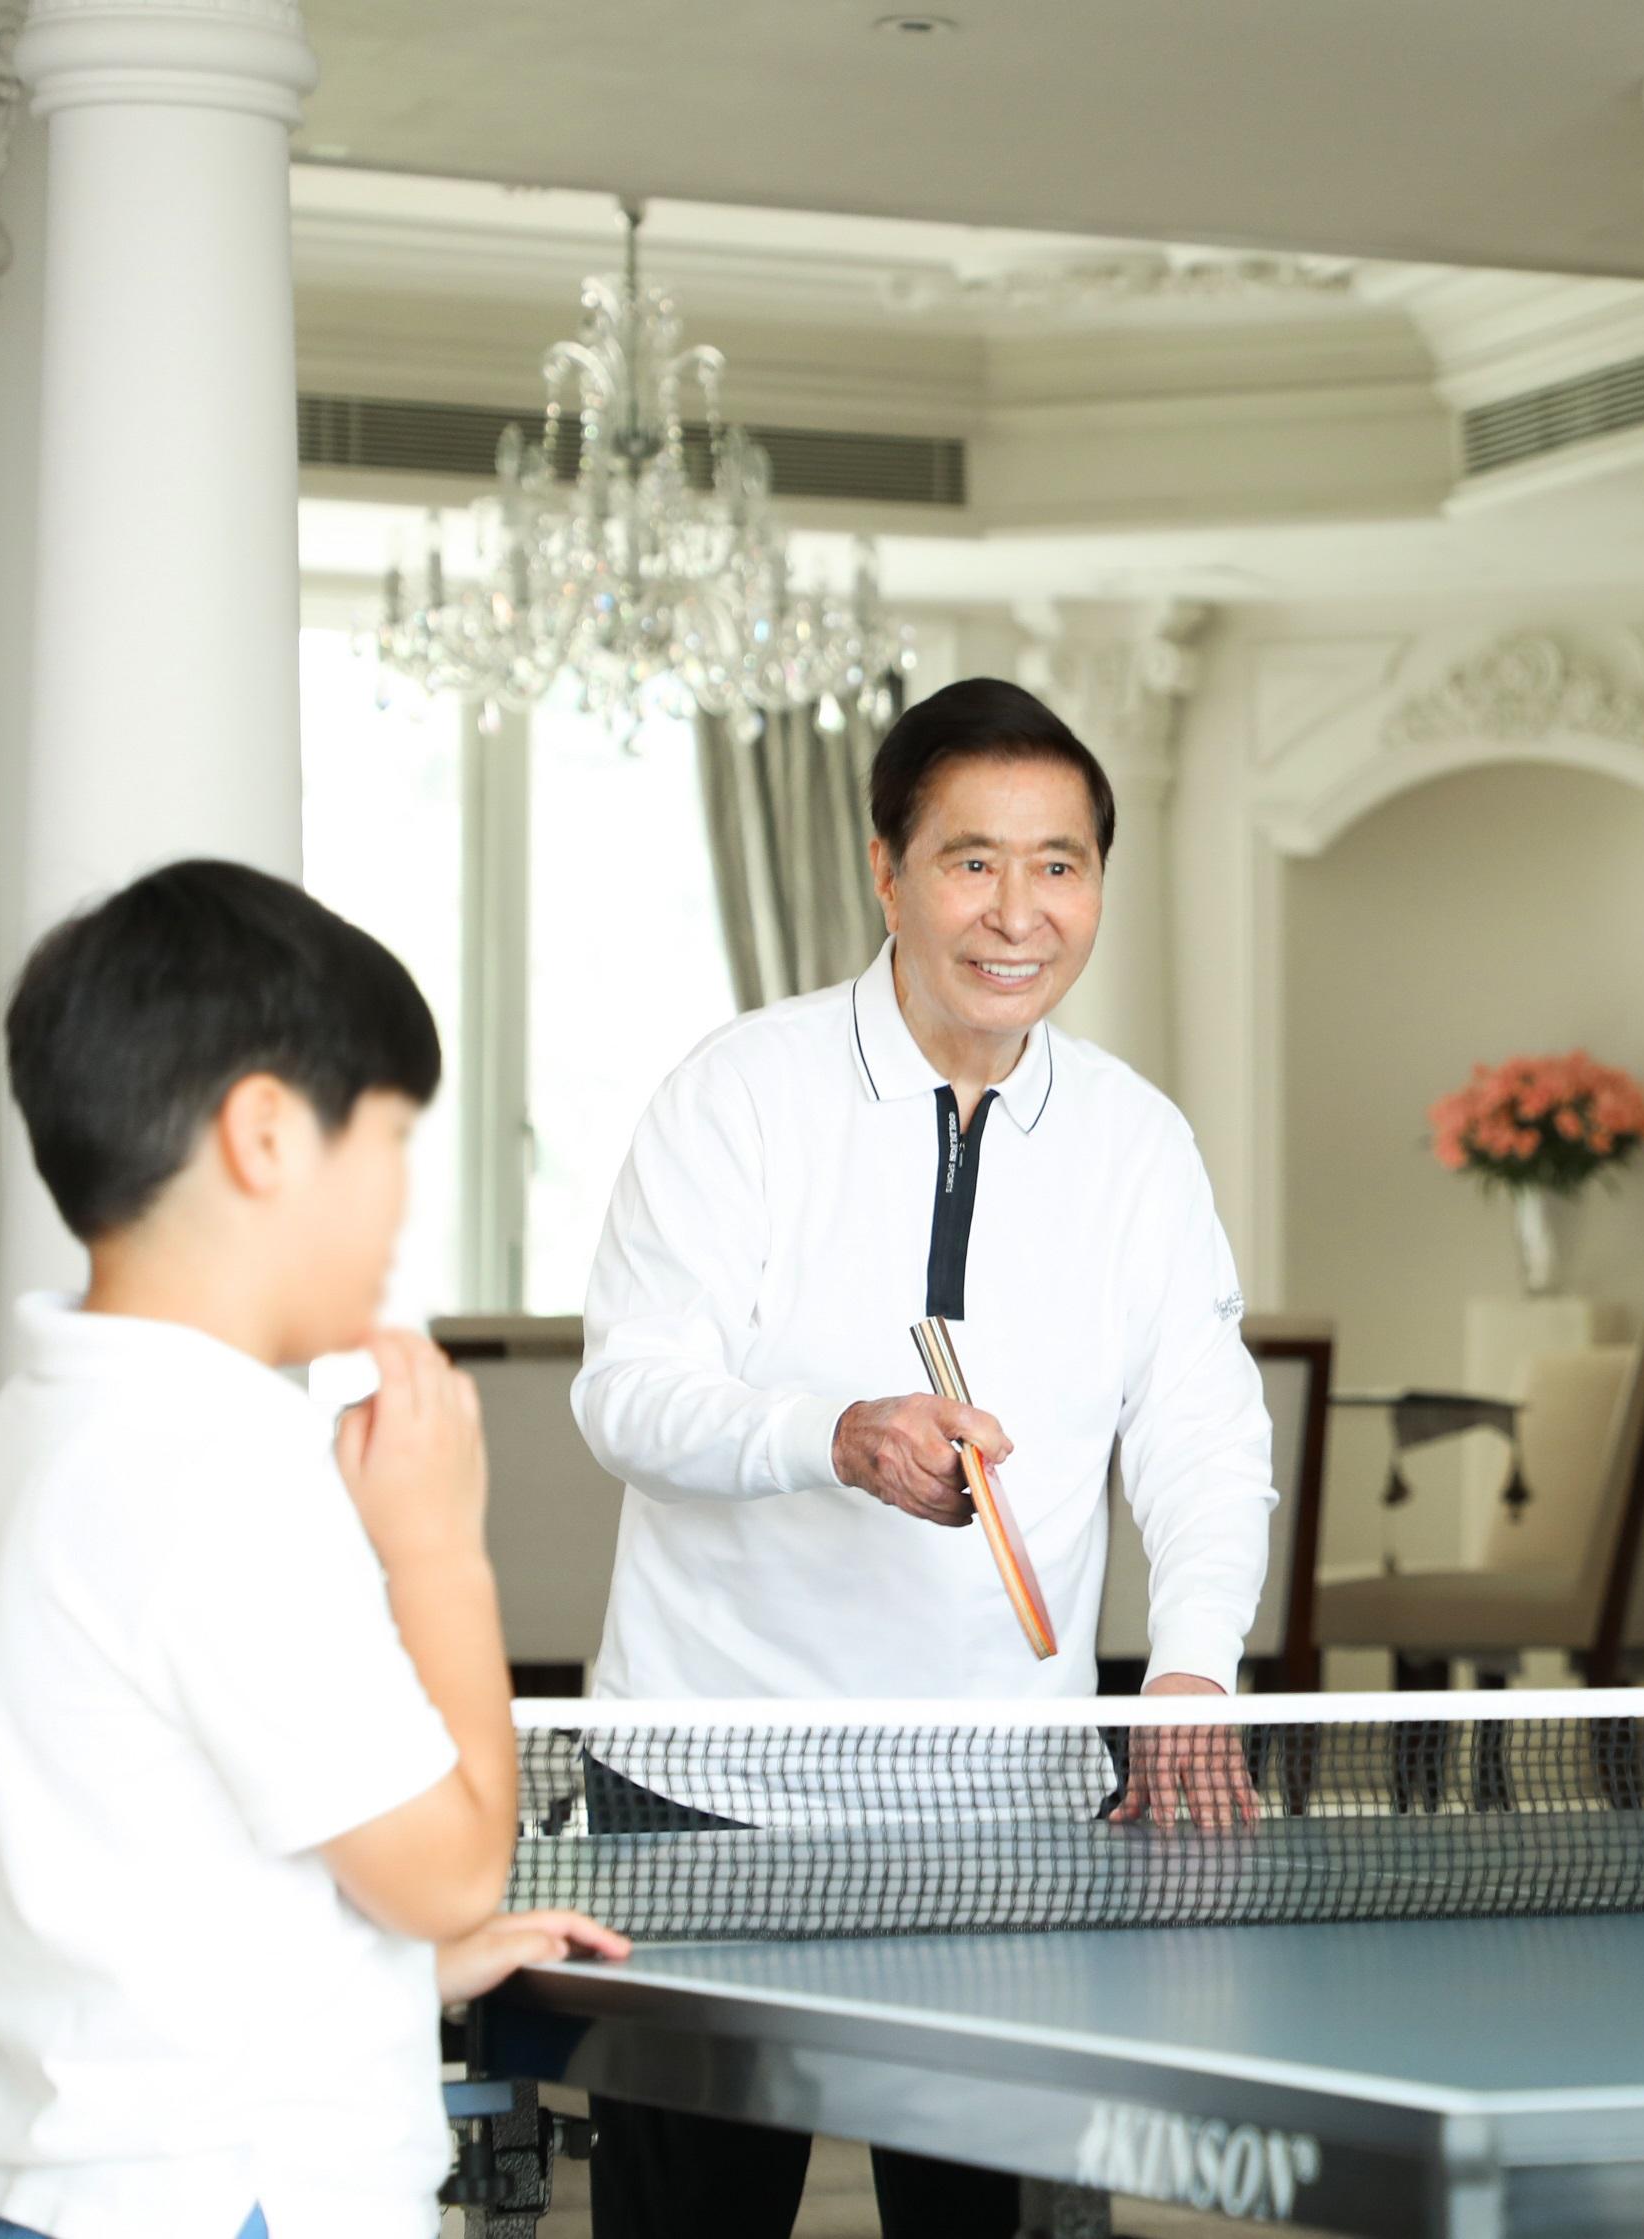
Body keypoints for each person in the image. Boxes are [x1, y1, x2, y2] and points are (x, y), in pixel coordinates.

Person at [571, 676, 1278, 2238]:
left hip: (1005, 1804)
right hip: (710, 1787)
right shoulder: (736, 1092)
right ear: (886, 870)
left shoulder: (1136, 1141)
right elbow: (627, 1394)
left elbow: (1203, 1433)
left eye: (1058, 863)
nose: (1017, 912)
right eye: (972, 860)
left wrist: (1190, 1665)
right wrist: (830, 1434)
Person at [0, 862, 622, 2239]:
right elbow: (449, 1868)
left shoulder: (16, 1438)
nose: (398, 1206)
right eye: (388, 1142)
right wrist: (438, 1551)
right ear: (264, 1133)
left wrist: (387, 1974)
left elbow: (127, 1879)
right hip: (228, 2201)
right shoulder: (220, 1462)